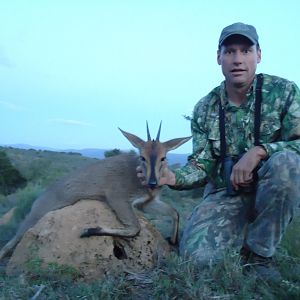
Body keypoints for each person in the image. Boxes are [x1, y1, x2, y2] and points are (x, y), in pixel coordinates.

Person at [139, 22, 300, 277]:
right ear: (219, 57)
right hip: (226, 193)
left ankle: (260, 256)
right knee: (196, 261)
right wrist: (172, 177)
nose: (238, 59)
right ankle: (236, 233)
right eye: (230, 51)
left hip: (272, 191)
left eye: (245, 51)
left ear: (258, 55)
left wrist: (260, 151)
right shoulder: (205, 108)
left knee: (288, 164)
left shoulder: (285, 92)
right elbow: (201, 165)